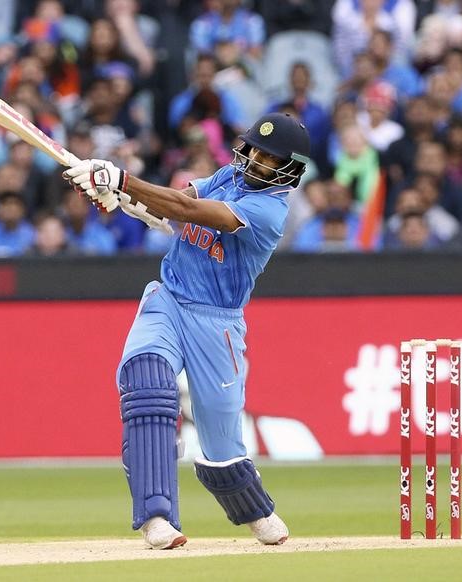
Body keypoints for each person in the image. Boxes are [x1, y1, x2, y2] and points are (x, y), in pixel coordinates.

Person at [63, 112, 311, 550]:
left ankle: (255, 510)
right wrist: (124, 199)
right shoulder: (228, 175)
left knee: (221, 452)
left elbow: (188, 211)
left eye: (268, 157)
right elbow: (181, 199)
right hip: (169, 299)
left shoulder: (269, 210)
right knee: (147, 385)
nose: (254, 158)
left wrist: (121, 179)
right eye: (253, 148)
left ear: (287, 168)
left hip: (217, 325)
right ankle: (156, 516)